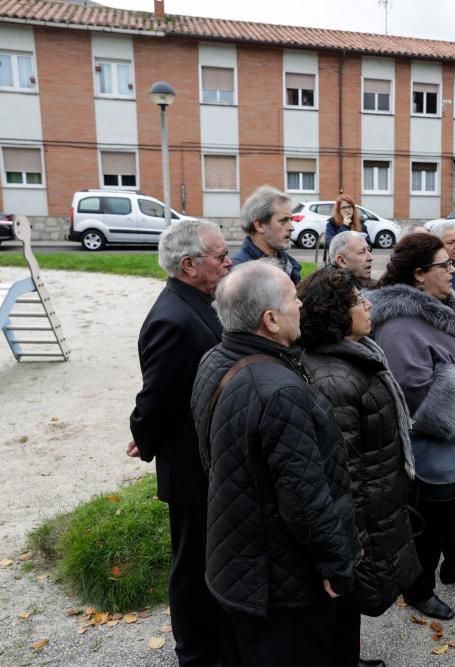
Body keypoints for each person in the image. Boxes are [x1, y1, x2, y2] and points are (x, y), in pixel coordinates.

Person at [190, 261, 358, 665]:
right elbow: (305, 498)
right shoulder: (279, 392)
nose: (300, 303)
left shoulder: (214, 358)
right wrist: (338, 565)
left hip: (239, 562)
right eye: (291, 299)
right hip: (279, 581)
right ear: (270, 319)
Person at [368, 234, 455, 621]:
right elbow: (413, 392)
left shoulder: (441, 304)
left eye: (452, 263)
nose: (453, 270)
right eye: (444, 265)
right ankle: (419, 588)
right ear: (418, 274)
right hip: (432, 442)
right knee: (431, 520)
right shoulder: (399, 322)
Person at [298, 267, 420, 667]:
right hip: (359, 516)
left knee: (348, 608)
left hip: (376, 500)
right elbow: (343, 472)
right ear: (336, 315)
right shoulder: (333, 379)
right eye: (357, 301)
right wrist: (354, 539)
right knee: (341, 602)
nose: (368, 304)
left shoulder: (357, 354)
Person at [127, 220, 231, 666]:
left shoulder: (200, 301)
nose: (229, 262)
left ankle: (216, 638)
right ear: (188, 265)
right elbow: (157, 396)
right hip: (189, 467)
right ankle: (194, 652)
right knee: (191, 564)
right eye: (220, 256)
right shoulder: (172, 318)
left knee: (212, 556)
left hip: (207, 458)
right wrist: (142, 433)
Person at [230, 185, 302, 283]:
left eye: (290, 219)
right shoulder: (239, 274)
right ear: (259, 225)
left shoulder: (290, 264)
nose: (291, 227)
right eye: (284, 220)